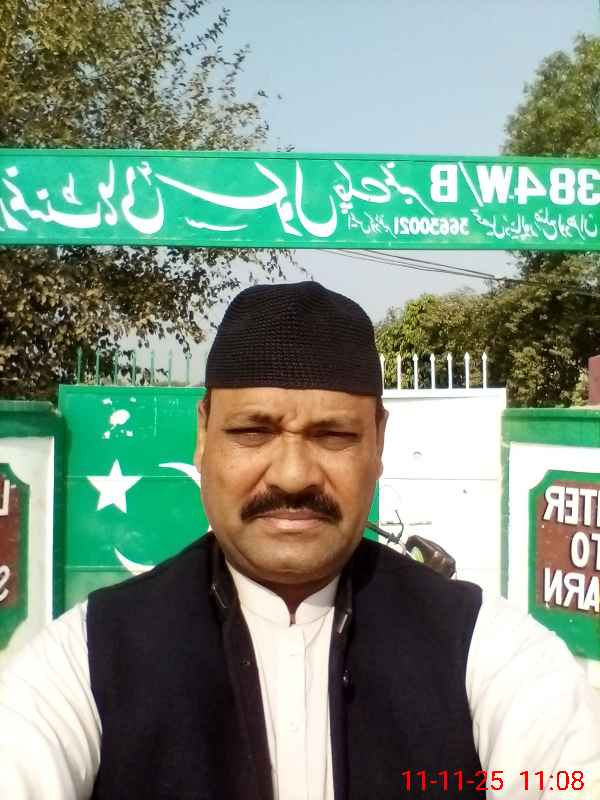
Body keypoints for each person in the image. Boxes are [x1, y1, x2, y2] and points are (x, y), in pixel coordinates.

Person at [0, 280, 599, 800]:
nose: (292, 476)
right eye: (253, 431)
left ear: (379, 442)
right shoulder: (86, 659)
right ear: (203, 436)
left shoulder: (489, 651)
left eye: (333, 435)